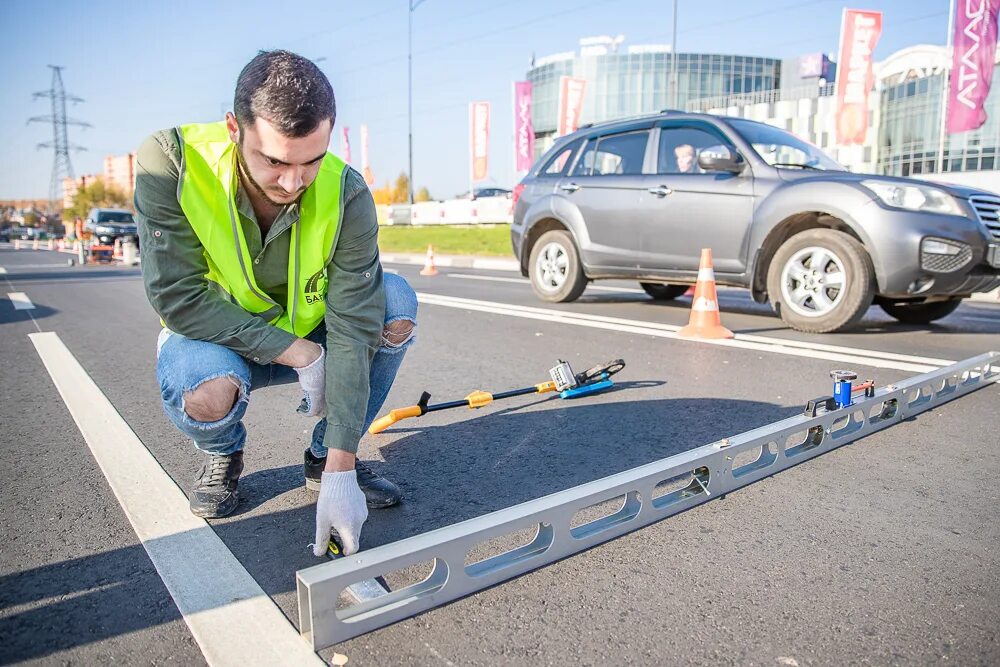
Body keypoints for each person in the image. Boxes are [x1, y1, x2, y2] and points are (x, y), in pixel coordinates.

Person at [135, 50, 416, 556]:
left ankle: (320, 455)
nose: (293, 182)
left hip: (312, 335)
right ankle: (223, 452)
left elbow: (353, 324)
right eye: (275, 162)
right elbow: (177, 297)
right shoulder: (172, 162)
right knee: (205, 390)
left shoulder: (346, 192)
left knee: (394, 301)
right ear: (233, 128)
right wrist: (298, 352)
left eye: (311, 161)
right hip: (216, 339)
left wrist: (341, 470)